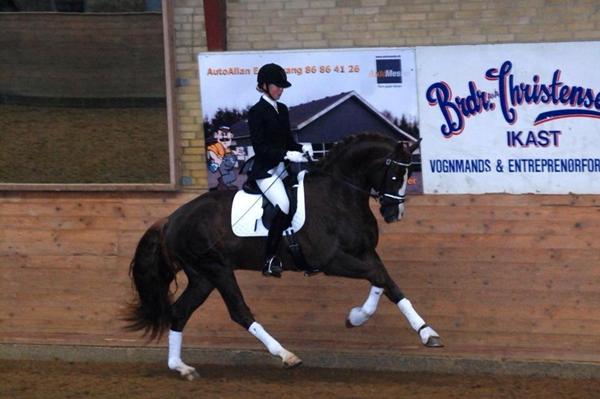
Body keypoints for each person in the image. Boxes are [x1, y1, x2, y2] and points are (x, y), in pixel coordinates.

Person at [247, 63, 313, 278]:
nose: (280, 90)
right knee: (284, 205)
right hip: (265, 171)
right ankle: (269, 259)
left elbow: (287, 140)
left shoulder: (282, 109)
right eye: (277, 86)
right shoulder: (256, 112)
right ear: (264, 85)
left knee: (304, 196)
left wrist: (301, 148)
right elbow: (260, 147)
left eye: (282, 87)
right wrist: (285, 155)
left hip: (282, 170)